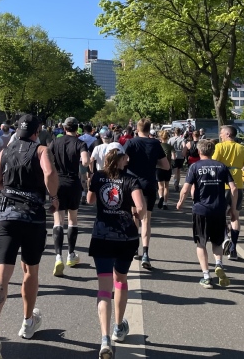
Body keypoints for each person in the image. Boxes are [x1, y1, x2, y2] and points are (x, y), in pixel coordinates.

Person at [0, 114, 59, 359]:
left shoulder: (6, 149)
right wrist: (53, 197)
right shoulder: (41, 150)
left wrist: (9, 188)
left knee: (1, 274)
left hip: (7, 217)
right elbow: (49, 173)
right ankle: (27, 322)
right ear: (37, 132)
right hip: (33, 218)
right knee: (30, 271)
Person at [87, 143, 145, 358]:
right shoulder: (131, 180)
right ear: (121, 159)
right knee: (120, 279)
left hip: (102, 235)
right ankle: (119, 326)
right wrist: (137, 216)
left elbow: (89, 200)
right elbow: (141, 207)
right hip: (125, 237)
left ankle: (104, 339)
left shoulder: (98, 177)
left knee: (104, 289)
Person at [176, 139, 237, 289]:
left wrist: (180, 202)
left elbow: (186, 188)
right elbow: (234, 188)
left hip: (201, 210)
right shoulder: (221, 166)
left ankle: (206, 276)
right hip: (219, 209)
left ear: (199, 151)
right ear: (212, 151)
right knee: (217, 241)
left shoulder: (194, 167)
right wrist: (233, 208)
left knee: (201, 243)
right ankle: (219, 263)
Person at [123, 118, 169, 270]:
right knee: (146, 220)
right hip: (149, 183)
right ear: (150, 129)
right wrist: (152, 163)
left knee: (134, 216)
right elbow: (166, 165)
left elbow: (123, 161)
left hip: (132, 183)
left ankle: (134, 247)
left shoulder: (130, 143)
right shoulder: (155, 143)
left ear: (137, 129)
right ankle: (145, 254)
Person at [49, 117, 89, 276]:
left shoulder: (55, 142)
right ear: (77, 128)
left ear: (64, 128)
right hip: (73, 183)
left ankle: (58, 257)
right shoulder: (80, 143)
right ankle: (71, 255)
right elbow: (85, 162)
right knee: (73, 219)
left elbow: (47, 159)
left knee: (58, 221)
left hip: (58, 183)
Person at [212, 125, 244, 260]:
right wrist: (239, 167)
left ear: (228, 134)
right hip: (238, 185)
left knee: (221, 214)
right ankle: (233, 248)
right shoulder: (242, 148)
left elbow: (213, 163)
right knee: (235, 215)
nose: (220, 135)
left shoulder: (219, 147)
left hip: (222, 185)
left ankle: (225, 237)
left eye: (222, 133)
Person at [156, 130, 173, 210]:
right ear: (167, 137)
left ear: (160, 137)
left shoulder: (158, 146)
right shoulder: (170, 146)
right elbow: (174, 157)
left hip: (159, 167)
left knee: (160, 186)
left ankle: (161, 197)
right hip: (168, 167)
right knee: (166, 186)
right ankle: (165, 203)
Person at [168, 128, 186, 193]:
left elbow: (168, 147)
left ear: (174, 132)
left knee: (175, 171)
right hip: (180, 156)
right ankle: (177, 184)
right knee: (179, 171)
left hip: (174, 156)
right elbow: (184, 146)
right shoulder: (182, 139)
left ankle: (175, 184)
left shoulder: (171, 139)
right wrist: (183, 152)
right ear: (180, 132)